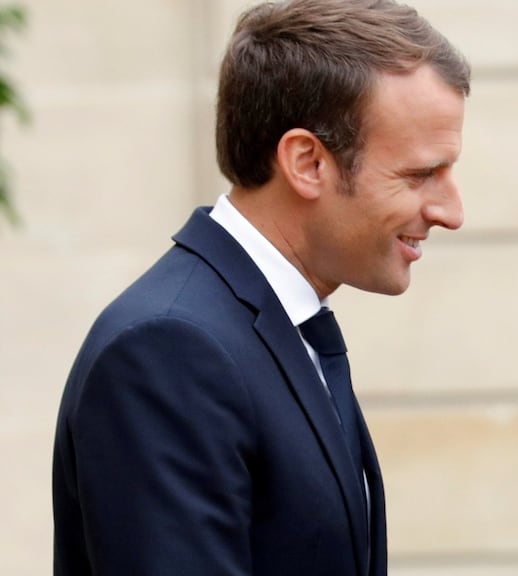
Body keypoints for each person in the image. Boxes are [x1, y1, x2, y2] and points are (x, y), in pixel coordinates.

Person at [52, 1, 470, 574]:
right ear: (307, 162)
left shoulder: (259, 327)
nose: (451, 211)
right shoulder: (169, 351)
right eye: (420, 174)